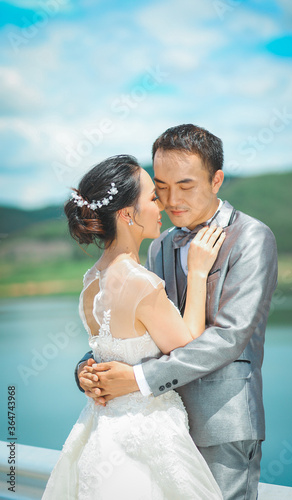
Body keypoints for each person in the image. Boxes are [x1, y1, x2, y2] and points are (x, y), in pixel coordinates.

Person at [77, 125, 278, 500]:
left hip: (223, 423)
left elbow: (228, 338)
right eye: (162, 188)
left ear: (216, 180)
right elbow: (142, 329)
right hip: (161, 423)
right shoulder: (160, 245)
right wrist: (89, 368)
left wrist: (138, 379)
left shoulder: (252, 238)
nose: (171, 201)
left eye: (185, 186)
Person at [42, 154, 225, 500]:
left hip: (101, 428)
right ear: (127, 214)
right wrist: (198, 273)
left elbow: (105, 351)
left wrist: (86, 370)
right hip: (148, 433)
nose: (163, 206)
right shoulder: (142, 284)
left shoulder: (90, 281)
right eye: (153, 198)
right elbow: (187, 347)